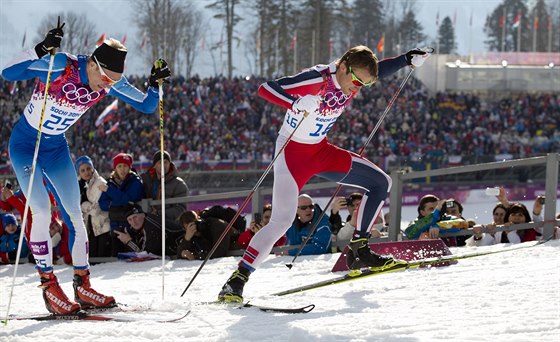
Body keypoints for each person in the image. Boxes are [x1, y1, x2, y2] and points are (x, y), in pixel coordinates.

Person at [218, 45, 430, 302]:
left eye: (363, 85)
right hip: (292, 155)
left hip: (321, 151)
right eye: (355, 81)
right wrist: (294, 103)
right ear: (342, 67)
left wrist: (406, 59)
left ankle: (359, 249)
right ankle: (237, 280)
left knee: (380, 183)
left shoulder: (353, 77)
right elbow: (266, 88)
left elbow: (377, 71)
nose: (356, 88)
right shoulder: (318, 77)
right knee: (282, 221)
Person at [1, 18, 171, 314]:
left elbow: (145, 105)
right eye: (105, 79)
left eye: (114, 83)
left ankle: (82, 284)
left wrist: (155, 85)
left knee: (76, 217)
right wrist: (40, 49)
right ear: (92, 64)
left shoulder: (109, 82)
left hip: (54, 149)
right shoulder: (60, 64)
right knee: (41, 209)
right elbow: (8, 73)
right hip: (27, 145)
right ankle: (49, 285)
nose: (107, 87)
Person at [99, 152, 145, 256]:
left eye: (125, 166)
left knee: (133, 258)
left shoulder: (136, 181)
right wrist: (117, 203)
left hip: (132, 226)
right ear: (115, 168)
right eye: (119, 166)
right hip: (115, 227)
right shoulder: (110, 183)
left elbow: (129, 199)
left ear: (129, 167)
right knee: (117, 260)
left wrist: (110, 192)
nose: (122, 169)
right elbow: (102, 203)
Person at [114, 203, 183, 256]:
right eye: (130, 219)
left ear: (143, 215)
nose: (133, 222)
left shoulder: (151, 225)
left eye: (135, 217)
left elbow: (146, 255)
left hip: (183, 248)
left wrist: (128, 241)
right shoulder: (142, 224)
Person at [76, 155, 111, 257]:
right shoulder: (80, 186)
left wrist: (83, 205)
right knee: (92, 256)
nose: (86, 172)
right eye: (82, 170)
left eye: (88, 169)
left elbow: (96, 209)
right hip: (90, 225)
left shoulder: (100, 182)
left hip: (102, 224)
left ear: (92, 168)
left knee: (102, 257)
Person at [141, 150, 188, 222]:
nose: (163, 165)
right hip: (148, 222)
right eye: (160, 162)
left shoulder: (179, 184)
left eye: (166, 162)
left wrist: (158, 213)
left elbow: (180, 209)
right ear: (155, 165)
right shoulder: (145, 180)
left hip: (169, 225)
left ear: (170, 164)